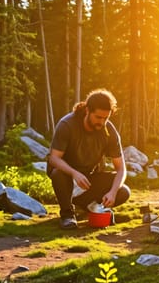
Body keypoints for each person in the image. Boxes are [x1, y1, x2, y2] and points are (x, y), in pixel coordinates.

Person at [48, 89, 131, 229]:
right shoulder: (67, 125)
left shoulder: (109, 131)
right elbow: (53, 159)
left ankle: (88, 207)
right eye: (98, 117)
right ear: (87, 110)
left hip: (88, 178)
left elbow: (121, 168)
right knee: (58, 173)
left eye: (106, 118)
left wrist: (112, 192)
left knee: (123, 191)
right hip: (66, 175)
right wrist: (74, 173)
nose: (102, 122)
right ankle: (67, 215)